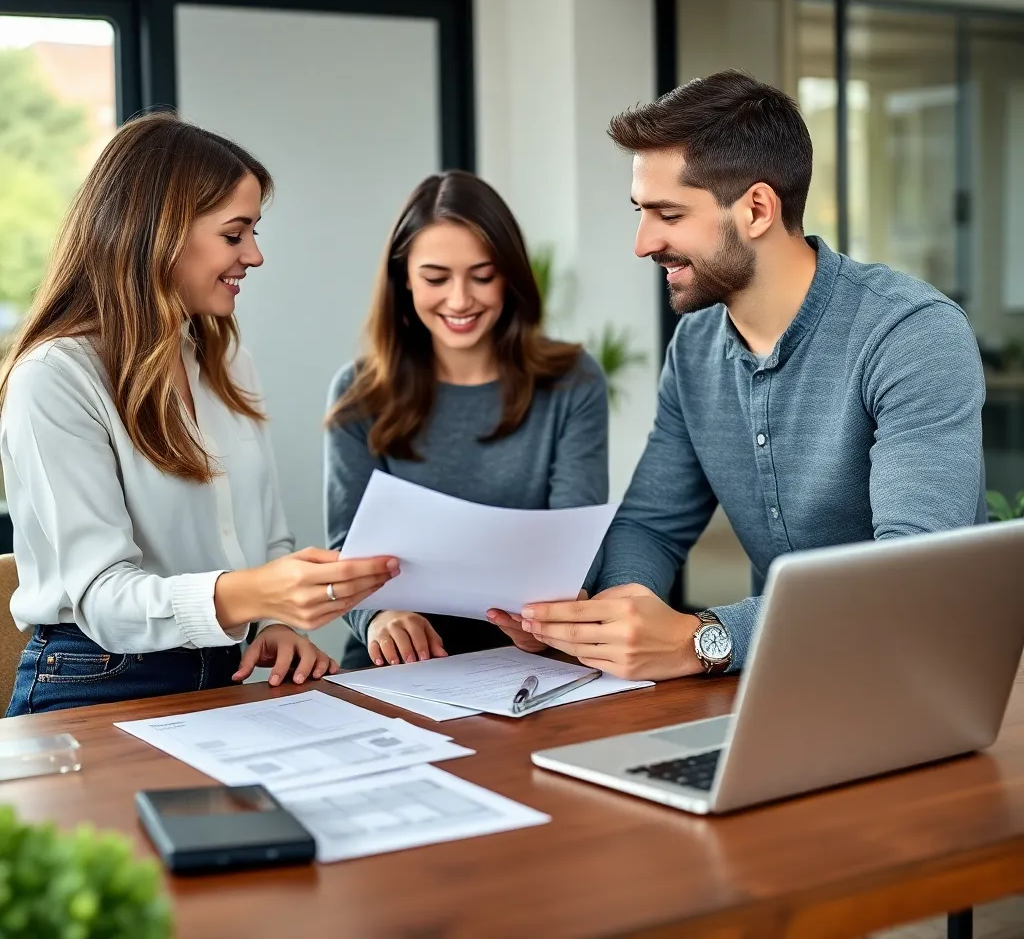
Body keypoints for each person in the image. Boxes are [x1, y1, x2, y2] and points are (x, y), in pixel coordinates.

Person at [514, 70, 986, 680]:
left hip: (925, 677)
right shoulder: (696, 347)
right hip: (782, 674)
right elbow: (652, 524)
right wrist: (610, 619)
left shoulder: (910, 334)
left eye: (668, 214)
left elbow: (911, 579)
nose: (642, 242)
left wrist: (704, 639)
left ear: (757, 209)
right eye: (641, 212)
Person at [0, 112, 397, 716]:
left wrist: (272, 621)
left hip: (222, 670)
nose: (255, 256)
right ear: (156, 233)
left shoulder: (224, 355)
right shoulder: (55, 377)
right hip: (96, 682)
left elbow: (262, 536)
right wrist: (251, 595)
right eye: (235, 235)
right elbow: (101, 598)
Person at [325, 170, 608, 669]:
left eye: (482, 276)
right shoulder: (359, 392)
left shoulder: (572, 382)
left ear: (510, 277)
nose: (460, 300)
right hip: (398, 663)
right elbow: (345, 551)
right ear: (404, 279)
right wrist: (380, 617)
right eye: (436, 278)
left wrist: (550, 622)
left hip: (531, 658)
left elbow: (574, 547)